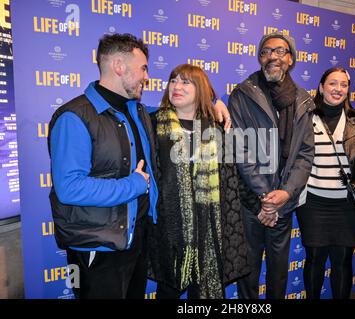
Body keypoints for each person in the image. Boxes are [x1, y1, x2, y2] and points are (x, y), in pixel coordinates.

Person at [48, 34, 231, 299]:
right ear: (120, 66)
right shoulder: (74, 117)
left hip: (136, 241)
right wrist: (133, 185)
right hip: (97, 248)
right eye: (143, 68)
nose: (147, 76)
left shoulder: (138, 111)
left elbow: (183, 108)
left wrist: (214, 101)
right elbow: (69, 188)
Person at [147, 64, 250, 299]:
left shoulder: (216, 129)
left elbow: (230, 183)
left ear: (200, 90)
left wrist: (217, 101)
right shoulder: (153, 124)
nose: (177, 86)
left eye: (186, 82)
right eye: (173, 80)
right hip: (169, 231)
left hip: (208, 231)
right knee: (168, 292)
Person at [228, 32, 315, 299]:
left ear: (290, 59)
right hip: (252, 201)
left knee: (278, 271)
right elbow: (239, 148)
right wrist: (266, 197)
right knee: (248, 271)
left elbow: (305, 153)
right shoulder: (242, 94)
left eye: (279, 51)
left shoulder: (303, 100)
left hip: (285, 201)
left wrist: (286, 193)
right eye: (266, 52)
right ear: (259, 58)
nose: (272, 57)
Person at [296, 67, 355, 299]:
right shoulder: (305, 118)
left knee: (343, 259)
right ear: (321, 87)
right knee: (314, 258)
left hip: (347, 205)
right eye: (333, 83)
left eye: (344, 85)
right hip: (313, 204)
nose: (338, 89)